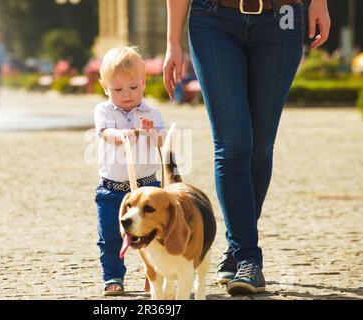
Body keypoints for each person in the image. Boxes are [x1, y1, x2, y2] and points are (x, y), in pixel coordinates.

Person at [163, 0, 330, 296]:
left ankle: (237, 248)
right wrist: (172, 41)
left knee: (261, 148)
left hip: (282, 19)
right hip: (212, 20)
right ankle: (249, 258)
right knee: (234, 144)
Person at [94, 46, 165, 296]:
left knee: (153, 235)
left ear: (143, 83)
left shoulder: (151, 112)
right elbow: (105, 133)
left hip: (147, 188)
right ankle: (113, 275)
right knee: (110, 237)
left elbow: (160, 142)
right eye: (117, 89)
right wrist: (121, 135)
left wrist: (151, 131)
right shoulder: (103, 111)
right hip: (112, 189)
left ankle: (153, 274)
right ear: (105, 87)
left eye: (133, 88)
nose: (126, 95)